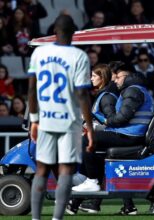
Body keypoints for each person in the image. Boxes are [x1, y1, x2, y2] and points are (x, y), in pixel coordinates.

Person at [27, 14, 94, 220]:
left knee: (41, 170)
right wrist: (90, 127)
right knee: (66, 169)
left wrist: (34, 119)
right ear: (74, 32)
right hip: (70, 122)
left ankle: (36, 218)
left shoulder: (39, 52)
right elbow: (82, 94)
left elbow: (31, 89)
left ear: (54, 30)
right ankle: (57, 219)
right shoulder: (79, 56)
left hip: (46, 119)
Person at [72, 64, 154, 215]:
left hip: (129, 134)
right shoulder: (134, 90)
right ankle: (89, 195)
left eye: (118, 77)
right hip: (128, 132)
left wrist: (106, 121)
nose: (115, 81)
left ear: (127, 77)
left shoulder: (132, 91)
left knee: (88, 139)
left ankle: (91, 181)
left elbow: (121, 118)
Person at [66, 64, 118, 215]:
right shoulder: (102, 94)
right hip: (101, 138)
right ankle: (79, 202)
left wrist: (91, 117)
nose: (91, 79)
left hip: (105, 139)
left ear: (102, 78)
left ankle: (80, 196)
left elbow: (111, 120)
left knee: (89, 156)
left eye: (94, 76)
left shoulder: (107, 97)